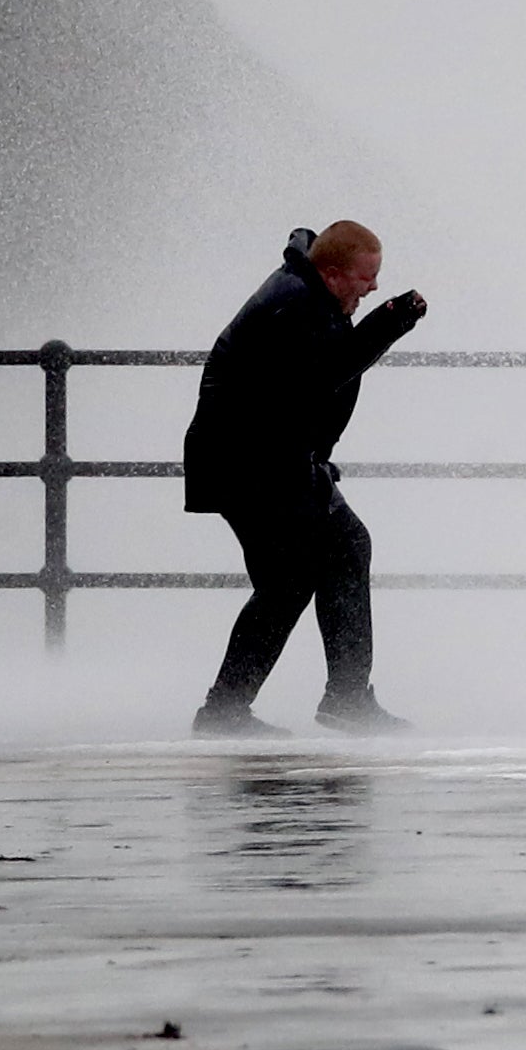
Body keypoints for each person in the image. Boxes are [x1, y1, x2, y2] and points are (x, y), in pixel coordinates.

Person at [183, 221, 428, 736]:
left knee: (320, 561)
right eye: (367, 278)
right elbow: (324, 374)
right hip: (249, 465)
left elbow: (305, 391)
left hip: (270, 461)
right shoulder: (293, 304)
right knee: (294, 576)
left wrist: (315, 457)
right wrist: (391, 320)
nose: (373, 288)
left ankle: (312, 700)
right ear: (334, 274)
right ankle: (244, 709)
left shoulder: (309, 294)